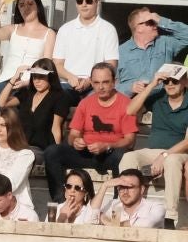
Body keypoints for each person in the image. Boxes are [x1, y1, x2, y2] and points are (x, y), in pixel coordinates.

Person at [44, 64, 136, 205]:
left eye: (105, 82)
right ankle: (60, 202)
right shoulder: (85, 103)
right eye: (96, 83)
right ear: (91, 83)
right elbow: (73, 135)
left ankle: (118, 203)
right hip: (86, 151)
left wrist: (107, 145)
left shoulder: (126, 103)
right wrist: (75, 141)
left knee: (123, 156)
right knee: (52, 152)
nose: (101, 87)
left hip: (111, 153)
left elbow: (130, 140)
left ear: (114, 82)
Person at [121, 63, 188, 227]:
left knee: (171, 161)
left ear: (185, 81)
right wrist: (152, 84)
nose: (170, 84)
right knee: (128, 157)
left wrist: (164, 156)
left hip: (179, 153)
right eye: (166, 81)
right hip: (153, 152)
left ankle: (170, 217)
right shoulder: (158, 97)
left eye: (175, 80)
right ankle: (126, 209)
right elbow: (130, 110)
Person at [0, 0, 57, 117]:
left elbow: (47, 63)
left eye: (30, 4)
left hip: (30, 82)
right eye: (21, 5)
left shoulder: (49, 33)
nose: (26, 8)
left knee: (21, 111)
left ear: (38, 7)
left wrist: (30, 81)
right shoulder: (13, 29)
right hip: (6, 80)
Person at [49, 0, 118, 104]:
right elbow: (57, 64)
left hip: (97, 85)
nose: (84, 5)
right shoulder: (65, 29)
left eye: (89, 1)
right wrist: (71, 78)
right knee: (54, 99)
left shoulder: (108, 29)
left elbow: (111, 65)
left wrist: (90, 81)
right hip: (67, 84)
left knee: (96, 104)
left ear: (97, 2)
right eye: (80, 1)